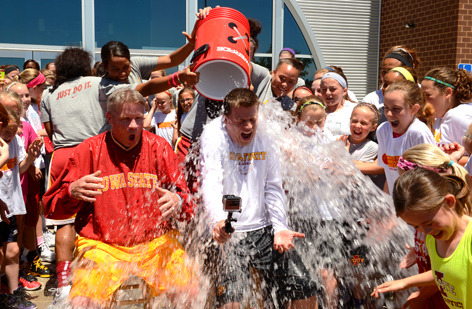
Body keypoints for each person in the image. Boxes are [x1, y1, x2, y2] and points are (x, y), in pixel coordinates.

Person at [40, 45, 199, 306]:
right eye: (125, 119)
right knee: (83, 303)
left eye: (138, 118)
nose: (134, 125)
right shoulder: (88, 150)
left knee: (191, 293)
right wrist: (71, 191)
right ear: (109, 117)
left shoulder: (158, 147)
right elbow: (52, 209)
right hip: (102, 248)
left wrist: (178, 200)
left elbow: (186, 199)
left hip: (155, 244)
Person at [200, 88, 318, 308]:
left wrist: (280, 227)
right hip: (229, 230)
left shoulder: (266, 132)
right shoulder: (213, 133)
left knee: (305, 291)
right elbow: (211, 180)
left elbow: (273, 186)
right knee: (232, 302)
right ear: (226, 119)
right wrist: (217, 220)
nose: (248, 127)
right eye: (241, 121)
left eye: (252, 120)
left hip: (265, 229)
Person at [372, 168, 472, 308]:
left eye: (429, 223)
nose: (425, 231)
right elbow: (446, 272)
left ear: (449, 202)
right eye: (415, 226)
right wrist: (405, 282)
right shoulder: (433, 239)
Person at [0, 103, 42, 309]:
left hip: (11, 204)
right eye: (7, 129)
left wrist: (32, 157)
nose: (11, 133)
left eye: (14, 129)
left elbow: (21, 169)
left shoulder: (16, 141)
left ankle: (14, 293)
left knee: (13, 250)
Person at [377, 80, 435, 194]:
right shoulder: (383, 130)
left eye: (396, 109)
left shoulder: (418, 133)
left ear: (414, 109)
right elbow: (389, 174)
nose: (389, 114)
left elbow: (432, 178)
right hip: (397, 204)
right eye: (386, 107)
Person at [421, 67, 472, 147]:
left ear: (448, 92)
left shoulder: (459, 117)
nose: (423, 101)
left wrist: (451, 157)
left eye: (427, 95)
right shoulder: (440, 117)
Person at [339, 103, 385, 188]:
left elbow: (351, 172)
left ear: (373, 127)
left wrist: (342, 156)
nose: (357, 125)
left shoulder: (372, 147)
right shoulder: (341, 140)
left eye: (363, 123)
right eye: (354, 121)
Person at [320, 71, 358, 137]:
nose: (327, 93)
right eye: (324, 89)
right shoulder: (317, 110)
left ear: (344, 91)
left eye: (332, 89)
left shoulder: (354, 110)